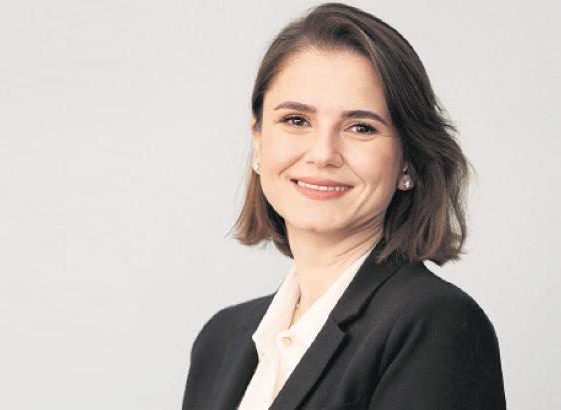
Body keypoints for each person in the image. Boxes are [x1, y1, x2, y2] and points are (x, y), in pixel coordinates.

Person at [182, 3, 506, 409]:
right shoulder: (220, 342)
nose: (323, 154)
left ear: (408, 160)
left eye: (361, 127)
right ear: (259, 140)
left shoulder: (435, 324)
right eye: (296, 120)